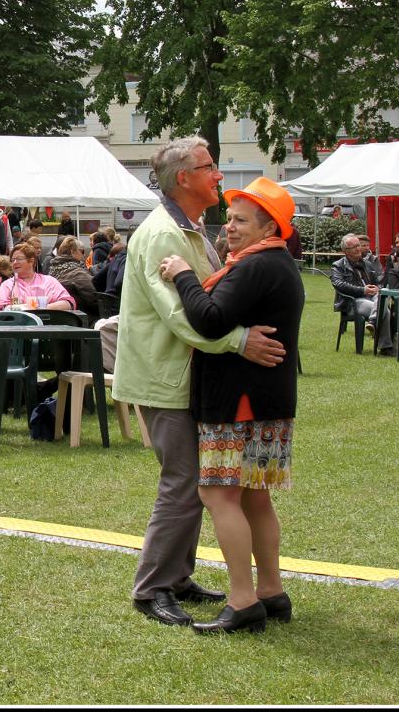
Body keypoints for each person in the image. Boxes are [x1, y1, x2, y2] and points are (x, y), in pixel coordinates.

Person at [113, 136, 285, 628]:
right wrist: (240, 342)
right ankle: (153, 589)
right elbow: (181, 317)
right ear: (183, 178)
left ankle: (178, 576)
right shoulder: (164, 233)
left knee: (192, 482)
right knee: (185, 482)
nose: (218, 174)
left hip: (184, 377)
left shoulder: (185, 228)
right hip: (166, 378)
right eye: (210, 167)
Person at [157, 176, 302, 634]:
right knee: (256, 497)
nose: (230, 227)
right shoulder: (277, 264)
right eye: (231, 218)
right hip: (267, 400)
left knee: (219, 495)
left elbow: (211, 319)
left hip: (238, 401)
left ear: (268, 227)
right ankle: (271, 591)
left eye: (242, 220)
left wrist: (182, 273)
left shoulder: (255, 267)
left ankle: (242, 599)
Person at [330, 234, 383, 341]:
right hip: (353, 302)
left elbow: (379, 281)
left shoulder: (367, 264)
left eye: (358, 245)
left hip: (373, 298)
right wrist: (363, 290)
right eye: (354, 247)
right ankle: (386, 345)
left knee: (383, 298)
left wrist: (378, 288)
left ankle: (373, 322)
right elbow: (339, 284)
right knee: (384, 310)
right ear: (345, 251)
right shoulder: (338, 266)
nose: (359, 249)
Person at [0, 243, 75, 311]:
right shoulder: (8, 285)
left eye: (19, 259)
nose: (15, 263)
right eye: (12, 260)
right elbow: (1, 308)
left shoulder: (49, 281)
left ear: (31, 261)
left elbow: (68, 303)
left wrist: (40, 308)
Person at [47, 235, 99, 318]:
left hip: (61, 316)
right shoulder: (78, 273)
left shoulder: (52, 270)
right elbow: (94, 299)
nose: (84, 255)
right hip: (84, 317)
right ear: (72, 252)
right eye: (82, 251)